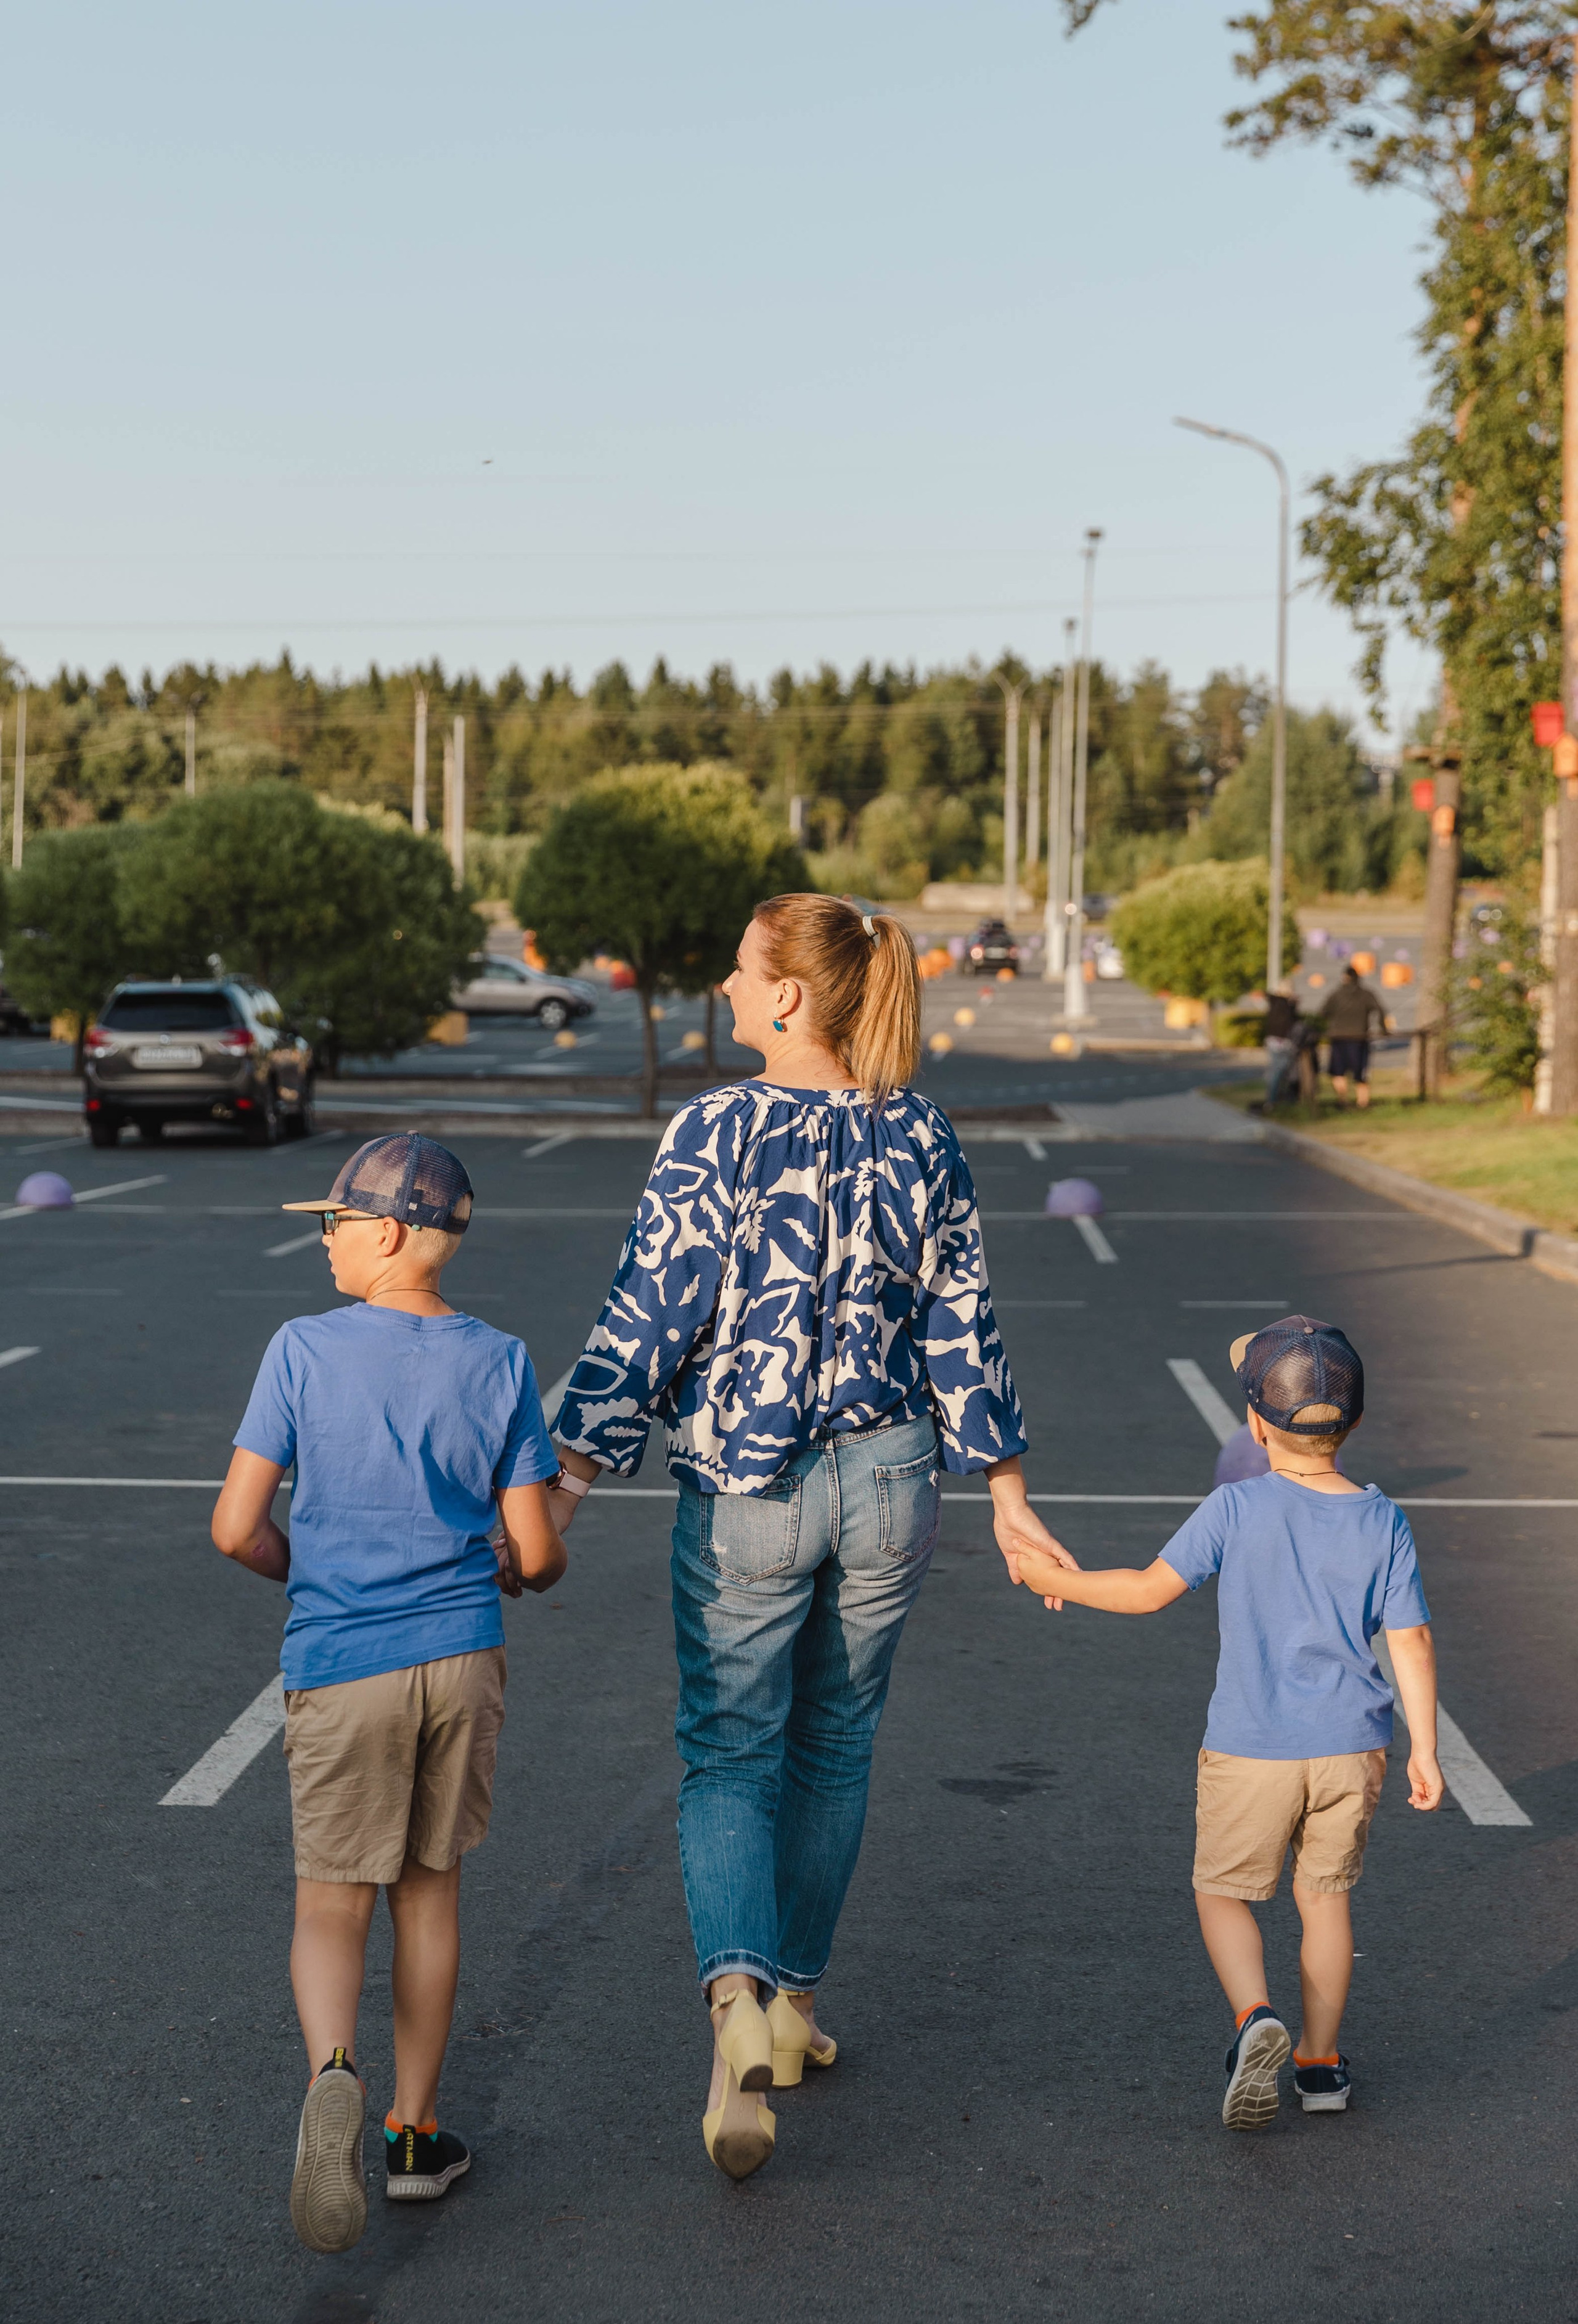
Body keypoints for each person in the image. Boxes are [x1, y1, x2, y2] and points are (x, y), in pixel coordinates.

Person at [551, 893, 1070, 2181]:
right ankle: (791, 1995)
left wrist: (565, 1475)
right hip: (893, 1478)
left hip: (750, 1481)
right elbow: (963, 1326)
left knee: (731, 1749)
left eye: (738, 973)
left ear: (789, 996)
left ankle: (736, 2004)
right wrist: (1007, 1495)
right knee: (835, 1744)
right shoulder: (924, 1133)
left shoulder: (715, 1128)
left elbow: (651, 1310)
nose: (725, 992)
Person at [210, 1134, 569, 2254]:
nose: (323, 1240)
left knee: (331, 1901)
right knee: (430, 1893)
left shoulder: (302, 1351)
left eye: (335, 1222)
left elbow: (234, 1527)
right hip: (460, 1655)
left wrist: (301, 1567)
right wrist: (512, 1565)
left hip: (342, 1659)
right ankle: (413, 2136)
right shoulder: (501, 1360)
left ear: (392, 1231)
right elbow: (539, 1554)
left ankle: (333, 2074)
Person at [1004, 1314, 1442, 2129]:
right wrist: (1426, 1745)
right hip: (1354, 1747)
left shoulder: (1235, 1507)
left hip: (1253, 1745)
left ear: (1254, 1420)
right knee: (1326, 1898)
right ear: (1354, 1420)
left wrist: (1042, 1574)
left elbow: (1144, 1589)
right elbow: (1408, 1637)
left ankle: (1254, 2018)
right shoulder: (1384, 1518)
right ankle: (1319, 2065)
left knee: (1221, 1891)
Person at [1325, 964, 1387, 1108]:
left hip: (1339, 1037)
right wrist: (1383, 1029)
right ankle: (1362, 1103)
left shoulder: (1336, 994)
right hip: (1359, 1038)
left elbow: (1323, 1012)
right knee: (1361, 1073)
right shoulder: (1366, 994)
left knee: (1338, 1072)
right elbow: (1380, 1009)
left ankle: (1343, 1100)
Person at [1253, 984, 1301, 1113]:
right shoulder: (1284, 1004)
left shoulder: (1276, 1002)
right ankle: (1274, 1100)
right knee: (1280, 1072)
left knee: (1278, 1071)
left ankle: (1276, 1100)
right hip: (1283, 1042)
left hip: (1276, 1041)